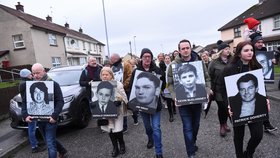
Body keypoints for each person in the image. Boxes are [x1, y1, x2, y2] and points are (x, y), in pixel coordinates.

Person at [221, 41, 270, 158]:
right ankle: (239, 155)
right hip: (236, 107)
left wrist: (266, 98)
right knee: (239, 134)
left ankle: (249, 152)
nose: (250, 53)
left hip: (256, 107)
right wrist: (228, 104)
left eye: (251, 50)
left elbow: (262, 86)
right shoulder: (229, 69)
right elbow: (222, 89)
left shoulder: (256, 66)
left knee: (258, 135)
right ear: (239, 53)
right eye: (246, 50)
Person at [167, 39, 211, 158]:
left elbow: (207, 79)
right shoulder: (173, 65)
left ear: (191, 48)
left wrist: (206, 91)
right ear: (179, 51)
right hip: (183, 103)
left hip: (197, 101)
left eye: (187, 48)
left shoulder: (199, 63)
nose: (185, 50)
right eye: (183, 49)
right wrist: (174, 97)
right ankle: (190, 153)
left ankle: (192, 142)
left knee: (195, 126)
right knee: (187, 127)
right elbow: (169, 84)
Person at [22, 63, 68, 158]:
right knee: (49, 140)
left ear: (44, 71)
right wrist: (25, 115)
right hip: (38, 119)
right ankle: (62, 150)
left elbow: (60, 101)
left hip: (51, 119)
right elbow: (25, 101)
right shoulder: (30, 85)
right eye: (33, 73)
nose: (35, 75)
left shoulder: (53, 84)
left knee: (50, 143)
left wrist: (54, 115)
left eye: (38, 73)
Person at [128, 48, 165, 158]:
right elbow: (131, 87)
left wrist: (160, 85)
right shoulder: (136, 71)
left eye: (149, 56)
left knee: (156, 128)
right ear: (141, 58)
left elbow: (164, 85)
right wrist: (132, 104)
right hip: (142, 106)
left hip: (155, 105)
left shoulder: (157, 70)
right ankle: (150, 137)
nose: (147, 58)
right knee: (148, 127)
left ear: (151, 58)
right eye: (145, 56)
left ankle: (159, 153)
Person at [249, 32, 278, 132]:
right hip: (251, 80)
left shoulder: (264, 50)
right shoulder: (250, 51)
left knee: (264, 101)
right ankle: (249, 119)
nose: (260, 44)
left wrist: (273, 61)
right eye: (258, 42)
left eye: (262, 42)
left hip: (262, 79)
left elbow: (270, 63)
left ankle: (266, 124)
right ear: (253, 43)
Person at [97, 67, 128, 157]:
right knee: (110, 131)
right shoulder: (98, 85)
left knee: (117, 131)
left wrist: (120, 101)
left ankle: (122, 144)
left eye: (107, 74)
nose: (105, 76)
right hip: (105, 113)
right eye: (103, 75)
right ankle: (115, 147)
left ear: (111, 75)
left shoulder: (118, 84)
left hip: (117, 112)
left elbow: (124, 97)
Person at [208, 40, 232, 137]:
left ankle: (225, 123)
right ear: (221, 51)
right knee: (222, 108)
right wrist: (210, 88)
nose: (228, 51)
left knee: (228, 107)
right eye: (226, 49)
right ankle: (222, 125)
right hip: (219, 89)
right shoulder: (214, 63)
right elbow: (209, 76)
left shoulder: (233, 60)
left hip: (230, 88)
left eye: (228, 49)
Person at [110, 53, 138, 133]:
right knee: (123, 107)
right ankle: (124, 126)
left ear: (115, 59)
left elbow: (130, 76)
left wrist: (123, 85)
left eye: (111, 60)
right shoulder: (112, 67)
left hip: (127, 89)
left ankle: (135, 117)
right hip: (118, 90)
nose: (111, 61)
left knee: (130, 106)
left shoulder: (126, 65)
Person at [19, 68, 45, 153]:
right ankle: (34, 147)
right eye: (30, 74)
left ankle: (36, 142)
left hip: (30, 108)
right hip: (30, 109)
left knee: (33, 127)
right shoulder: (26, 84)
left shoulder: (23, 82)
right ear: (27, 76)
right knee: (32, 128)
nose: (32, 75)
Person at [162, 55, 176, 122]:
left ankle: (174, 109)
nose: (167, 60)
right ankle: (171, 115)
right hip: (166, 86)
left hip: (173, 85)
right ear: (164, 60)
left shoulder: (173, 65)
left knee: (173, 99)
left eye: (168, 58)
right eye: (166, 58)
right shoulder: (162, 67)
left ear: (170, 59)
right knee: (168, 100)